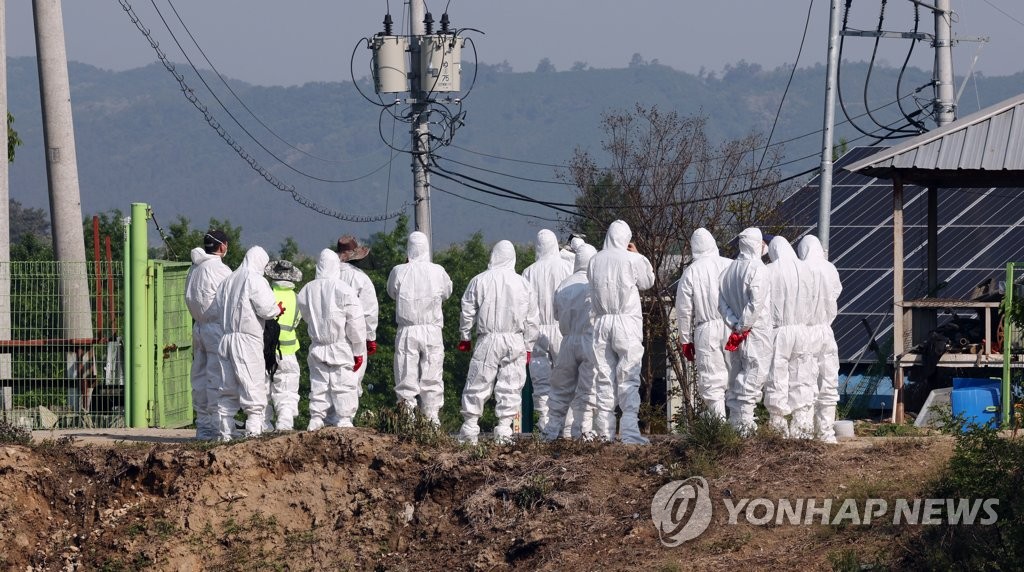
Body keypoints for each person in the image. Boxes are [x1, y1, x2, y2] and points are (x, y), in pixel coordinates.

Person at [457, 240, 540, 444]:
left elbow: (467, 310)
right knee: (511, 384)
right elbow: (532, 319)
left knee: (478, 381)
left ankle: (469, 428)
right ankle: (504, 429)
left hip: (488, 338)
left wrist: (465, 336)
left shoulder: (479, 280)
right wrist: (529, 346)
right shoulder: (523, 283)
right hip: (515, 339)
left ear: (493, 255)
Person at [588, 220, 655, 444]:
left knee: (604, 378)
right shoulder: (632, 259)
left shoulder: (594, 260)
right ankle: (628, 433)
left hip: (602, 323)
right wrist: (639, 254)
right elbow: (647, 282)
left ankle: (604, 433)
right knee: (628, 376)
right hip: (626, 322)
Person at [212, 245, 284, 441]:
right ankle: (253, 432)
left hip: (225, 339)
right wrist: (277, 309)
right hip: (247, 339)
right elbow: (267, 309)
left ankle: (226, 434)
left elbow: (217, 309)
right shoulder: (255, 279)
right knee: (253, 385)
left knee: (227, 388)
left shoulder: (226, 282)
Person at [387, 231, 453, 423]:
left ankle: (406, 416)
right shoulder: (438, 271)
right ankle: (432, 419)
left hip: (408, 329)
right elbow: (447, 292)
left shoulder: (399, 270)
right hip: (432, 329)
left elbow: (392, 292)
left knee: (405, 374)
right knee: (432, 375)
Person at [298, 249, 367, 430]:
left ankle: (316, 418)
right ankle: (344, 419)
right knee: (343, 383)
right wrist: (358, 349)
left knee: (319, 383)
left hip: (318, 344)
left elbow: (305, 315)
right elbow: (356, 323)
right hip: (340, 344)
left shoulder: (307, 289)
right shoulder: (344, 289)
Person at [674, 228, 734, 420]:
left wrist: (685, 340)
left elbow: (684, 310)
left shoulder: (691, 272)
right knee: (737, 374)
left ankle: (718, 423)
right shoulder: (732, 265)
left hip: (706, 329)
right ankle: (740, 425)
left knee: (711, 377)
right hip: (733, 326)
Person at [719, 227, 772, 435]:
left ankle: (735, 423)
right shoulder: (758, 269)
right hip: (755, 331)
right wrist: (743, 326)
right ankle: (746, 427)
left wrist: (734, 324)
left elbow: (721, 302)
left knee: (738, 375)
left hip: (738, 331)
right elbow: (756, 303)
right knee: (754, 374)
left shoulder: (728, 271)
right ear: (755, 244)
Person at [542, 244, 598, 441]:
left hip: (567, 341)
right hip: (589, 340)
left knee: (560, 388)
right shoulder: (594, 284)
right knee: (587, 387)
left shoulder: (564, 284)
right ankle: (582, 431)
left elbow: (556, 314)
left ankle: (551, 431)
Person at [521, 229, 573, 432]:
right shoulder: (567, 267)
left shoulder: (529, 271)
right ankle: (567, 427)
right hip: (561, 329)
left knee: (541, 382)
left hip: (537, 330)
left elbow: (524, 304)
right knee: (566, 379)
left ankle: (545, 424)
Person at [763, 236, 815, 437]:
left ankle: (778, 425)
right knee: (801, 375)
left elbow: (764, 304)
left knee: (777, 375)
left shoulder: (769, 271)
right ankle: (802, 427)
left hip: (779, 330)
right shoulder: (806, 270)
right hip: (802, 329)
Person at [183, 230, 231, 440]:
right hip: (216, 327)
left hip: (199, 327)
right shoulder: (220, 270)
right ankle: (219, 426)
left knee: (199, 378)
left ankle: (203, 426)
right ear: (223, 247)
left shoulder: (194, 268)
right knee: (216, 377)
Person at [797, 234, 843, 443]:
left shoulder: (801, 269)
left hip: (806, 331)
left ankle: (804, 429)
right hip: (826, 330)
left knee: (806, 380)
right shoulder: (830, 268)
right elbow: (836, 293)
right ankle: (826, 432)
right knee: (829, 379)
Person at [331, 235, 379, 424]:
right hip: (353, 337)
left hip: (328, 337)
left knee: (328, 381)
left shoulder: (325, 276)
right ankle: (346, 420)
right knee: (352, 379)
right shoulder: (360, 278)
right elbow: (369, 310)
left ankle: (328, 422)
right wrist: (370, 337)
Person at [263, 259, 303, 431]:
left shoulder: (266, 293)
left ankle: (263, 424)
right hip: (288, 349)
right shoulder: (298, 298)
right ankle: (285, 423)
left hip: (265, 350)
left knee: (263, 387)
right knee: (286, 388)